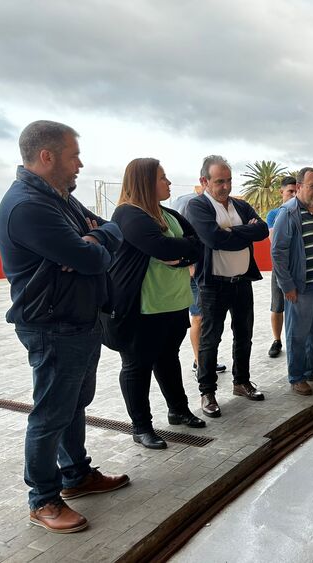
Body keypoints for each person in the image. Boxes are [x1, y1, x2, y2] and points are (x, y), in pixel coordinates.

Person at [0, 120, 129, 533]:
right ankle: (43, 499)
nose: (80, 164)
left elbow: (112, 229)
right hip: (52, 326)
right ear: (47, 156)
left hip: (79, 319)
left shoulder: (59, 198)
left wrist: (94, 239)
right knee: (50, 414)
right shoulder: (28, 206)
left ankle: (76, 475)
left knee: (74, 405)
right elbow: (91, 259)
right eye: (73, 155)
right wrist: (88, 247)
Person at [104, 158, 205, 450]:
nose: (169, 182)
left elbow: (197, 244)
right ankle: (141, 426)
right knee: (137, 366)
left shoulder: (168, 214)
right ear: (145, 182)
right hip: (141, 308)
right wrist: (180, 252)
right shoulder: (129, 215)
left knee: (168, 358)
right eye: (163, 177)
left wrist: (181, 256)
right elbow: (160, 247)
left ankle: (178, 410)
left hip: (172, 303)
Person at [186, 155, 269, 417]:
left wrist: (231, 232)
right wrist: (244, 232)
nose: (225, 186)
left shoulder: (240, 206)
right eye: (219, 181)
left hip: (241, 282)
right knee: (210, 340)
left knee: (244, 335)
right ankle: (207, 392)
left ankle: (241, 382)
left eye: (229, 180)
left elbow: (263, 230)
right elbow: (213, 238)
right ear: (204, 181)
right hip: (213, 286)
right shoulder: (197, 206)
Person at [271, 167, 313, 396]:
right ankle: (297, 377)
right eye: (312, 186)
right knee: (297, 334)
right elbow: (278, 252)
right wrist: (287, 285)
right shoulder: (288, 213)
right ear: (299, 187)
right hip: (302, 287)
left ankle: (311, 369)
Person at [173, 185, 227, 376]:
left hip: (206, 269)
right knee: (199, 316)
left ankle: (205, 360)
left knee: (207, 318)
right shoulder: (187, 203)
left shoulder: (217, 205)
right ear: (205, 181)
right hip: (193, 271)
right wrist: (189, 265)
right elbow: (180, 234)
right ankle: (199, 362)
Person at [266, 176, 297, 358]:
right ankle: (277, 341)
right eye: (289, 191)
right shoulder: (273, 215)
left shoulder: (301, 213)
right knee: (277, 307)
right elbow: (274, 241)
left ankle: (295, 339)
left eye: (295, 191)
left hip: (299, 269)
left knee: (298, 307)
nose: (293, 195)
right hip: (280, 269)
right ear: (281, 192)